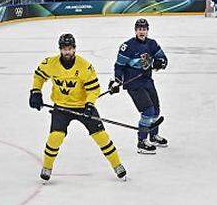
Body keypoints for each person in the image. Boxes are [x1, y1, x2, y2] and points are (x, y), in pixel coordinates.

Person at [29, 33, 126, 182]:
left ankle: (117, 165)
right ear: (60, 49)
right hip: (61, 107)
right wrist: (36, 92)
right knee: (55, 137)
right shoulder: (50, 63)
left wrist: (90, 104)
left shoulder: (84, 66)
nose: (67, 51)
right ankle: (47, 168)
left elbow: (94, 89)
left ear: (74, 49)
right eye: (64, 49)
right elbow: (39, 75)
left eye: (70, 48)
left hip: (83, 106)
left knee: (101, 136)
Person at [109, 18, 168, 154]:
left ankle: (153, 136)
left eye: (144, 29)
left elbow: (163, 58)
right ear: (135, 30)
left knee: (156, 111)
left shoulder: (152, 44)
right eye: (139, 29)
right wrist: (117, 81)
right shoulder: (127, 46)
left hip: (147, 81)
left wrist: (160, 63)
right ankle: (141, 142)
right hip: (133, 84)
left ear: (147, 30)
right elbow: (119, 66)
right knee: (148, 112)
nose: (142, 31)